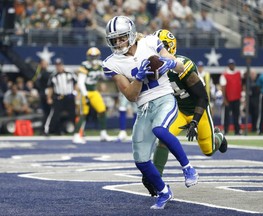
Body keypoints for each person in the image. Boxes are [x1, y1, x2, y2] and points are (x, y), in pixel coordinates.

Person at [102, 16, 198, 210]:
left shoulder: (151, 42)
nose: (118, 43)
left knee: (160, 130)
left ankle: (188, 168)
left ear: (130, 34)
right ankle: (164, 192)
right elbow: (130, 95)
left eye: (121, 38)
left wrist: (170, 64)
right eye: (114, 39)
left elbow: (179, 67)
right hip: (143, 107)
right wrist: (137, 79)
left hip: (164, 97)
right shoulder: (111, 63)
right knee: (141, 159)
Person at [142, 29, 227, 197]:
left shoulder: (181, 66)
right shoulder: (153, 68)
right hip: (179, 110)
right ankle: (156, 178)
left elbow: (203, 97)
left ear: (169, 48)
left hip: (198, 110)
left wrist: (194, 121)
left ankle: (219, 137)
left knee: (208, 150)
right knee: (163, 137)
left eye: (160, 47)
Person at [73, 47, 113, 144]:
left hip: (94, 91)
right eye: (92, 56)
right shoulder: (85, 65)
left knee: (102, 110)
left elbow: (105, 76)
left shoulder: (100, 65)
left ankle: (103, 133)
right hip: (85, 91)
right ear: (88, 57)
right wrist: (85, 95)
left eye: (95, 56)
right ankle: (76, 135)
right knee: (83, 114)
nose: (94, 59)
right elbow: (80, 82)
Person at [44, 58, 77, 135]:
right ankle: (48, 130)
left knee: (73, 114)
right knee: (55, 114)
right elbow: (50, 88)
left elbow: (76, 83)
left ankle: (76, 130)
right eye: (57, 65)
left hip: (69, 96)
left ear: (62, 65)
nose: (58, 67)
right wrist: (49, 98)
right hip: (59, 97)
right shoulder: (53, 75)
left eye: (60, 65)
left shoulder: (70, 73)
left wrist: (75, 93)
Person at [220, 59, 243, 135]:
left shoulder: (238, 73)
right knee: (226, 116)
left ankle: (237, 130)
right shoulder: (225, 75)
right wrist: (224, 99)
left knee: (237, 115)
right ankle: (225, 130)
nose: (232, 66)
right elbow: (223, 87)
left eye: (233, 64)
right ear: (228, 65)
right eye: (230, 64)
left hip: (237, 98)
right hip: (228, 99)